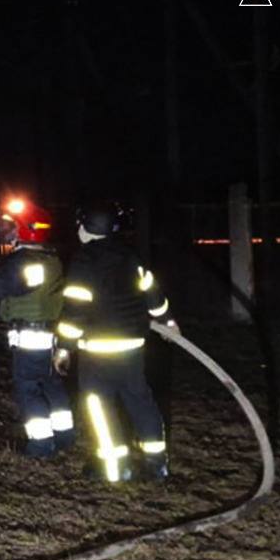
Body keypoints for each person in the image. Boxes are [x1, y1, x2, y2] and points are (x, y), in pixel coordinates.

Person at [53, 203, 178, 483]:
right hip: (132, 347)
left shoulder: (84, 262)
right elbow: (153, 295)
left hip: (98, 351)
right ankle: (157, 464)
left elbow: (75, 310)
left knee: (99, 406)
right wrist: (168, 322)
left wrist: (64, 347)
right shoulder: (131, 257)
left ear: (85, 228)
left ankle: (115, 468)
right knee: (140, 400)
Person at [0, 198, 74, 457]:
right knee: (51, 385)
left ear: (26, 230)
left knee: (28, 389)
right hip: (50, 335)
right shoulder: (50, 258)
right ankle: (64, 436)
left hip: (30, 337)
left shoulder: (25, 261)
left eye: (13, 227)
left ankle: (41, 444)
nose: (9, 232)